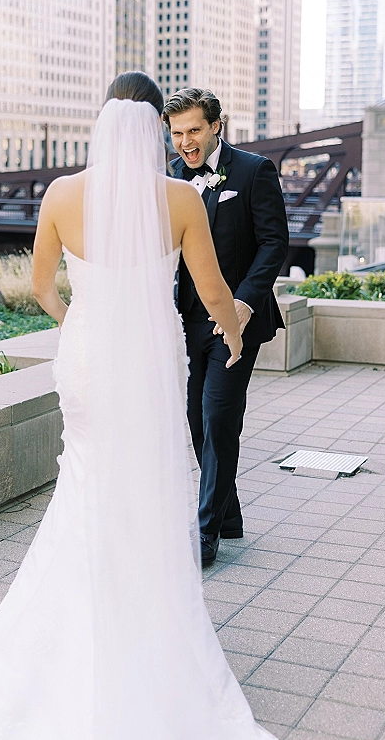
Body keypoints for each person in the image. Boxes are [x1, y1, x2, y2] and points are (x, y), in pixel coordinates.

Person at [0, 73, 275, 740]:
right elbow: (215, 293)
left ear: (101, 123)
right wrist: (236, 337)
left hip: (90, 363)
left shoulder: (63, 195)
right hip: (149, 363)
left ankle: (77, 623)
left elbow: (40, 284)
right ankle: (143, 627)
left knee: (89, 487)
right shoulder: (181, 198)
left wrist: (80, 322)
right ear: (157, 125)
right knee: (146, 489)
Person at [165, 88, 289, 565]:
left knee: (218, 416)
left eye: (194, 130)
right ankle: (229, 513)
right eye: (177, 133)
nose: (186, 142)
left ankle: (205, 532)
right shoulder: (172, 177)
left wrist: (243, 302)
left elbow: (274, 244)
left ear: (217, 125)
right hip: (186, 320)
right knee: (196, 418)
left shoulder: (254, 171)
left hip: (237, 321)